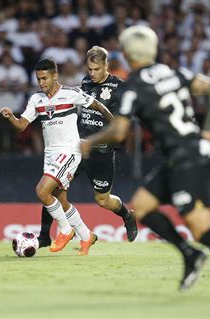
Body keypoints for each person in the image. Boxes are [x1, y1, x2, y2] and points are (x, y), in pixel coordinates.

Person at [81, 26, 210, 301]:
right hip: (183, 153)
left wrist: (90, 141)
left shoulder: (134, 87)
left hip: (186, 158)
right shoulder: (174, 72)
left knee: (200, 228)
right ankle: (190, 254)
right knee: (143, 207)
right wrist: (207, 134)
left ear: (126, 54)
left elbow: (120, 131)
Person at [0, 58, 115, 255]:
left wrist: (115, 125)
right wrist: (11, 116)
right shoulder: (36, 99)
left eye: (45, 78)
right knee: (60, 200)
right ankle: (87, 236)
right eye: (38, 79)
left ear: (55, 76)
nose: (41, 83)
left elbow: (97, 105)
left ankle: (65, 230)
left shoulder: (71, 94)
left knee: (42, 191)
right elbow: (21, 126)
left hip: (69, 151)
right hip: (50, 155)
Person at [37, 46, 138, 248]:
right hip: (77, 148)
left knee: (103, 200)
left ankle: (127, 215)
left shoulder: (120, 87)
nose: (92, 73)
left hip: (101, 151)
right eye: (89, 69)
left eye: (96, 69)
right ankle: (44, 236)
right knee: (53, 186)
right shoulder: (85, 82)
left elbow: (124, 122)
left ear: (106, 65)